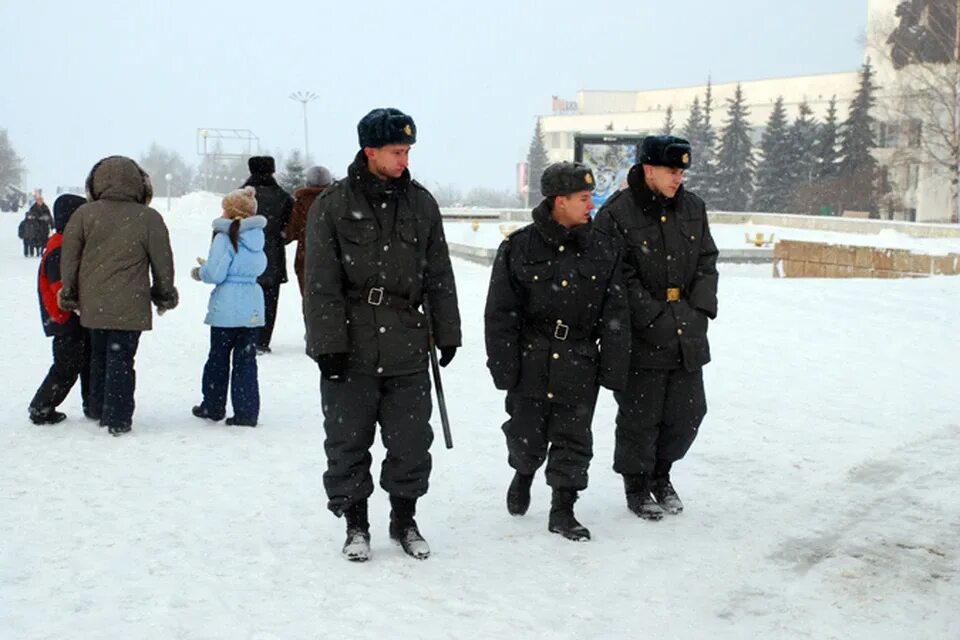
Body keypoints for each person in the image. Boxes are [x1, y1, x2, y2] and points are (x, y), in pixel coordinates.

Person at [303, 107, 461, 562]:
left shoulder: (422, 203)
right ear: (369, 151)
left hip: (408, 342)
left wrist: (447, 331)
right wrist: (328, 345)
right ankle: (355, 524)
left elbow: (440, 274)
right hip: (350, 344)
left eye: (408, 151)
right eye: (396, 151)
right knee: (347, 440)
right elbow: (320, 284)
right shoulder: (332, 205)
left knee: (411, 441)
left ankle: (404, 519)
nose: (403, 160)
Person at [484, 162, 629, 542]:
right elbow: (500, 313)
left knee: (574, 436)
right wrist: (503, 367)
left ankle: (563, 508)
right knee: (525, 433)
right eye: (583, 199)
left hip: (580, 359)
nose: (591, 206)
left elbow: (616, 313)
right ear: (558, 201)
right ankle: (524, 471)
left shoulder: (604, 248)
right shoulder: (519, 247)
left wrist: (614, 368)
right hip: (531, 357)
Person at [594, 135, 718, 520]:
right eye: (671, 171)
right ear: (648, 169)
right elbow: (616, 278)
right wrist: (653, 317)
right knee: (640, 416)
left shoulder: (693, 208)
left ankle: (661, 475)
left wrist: (698, 310)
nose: (678, 178)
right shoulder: (617, 213)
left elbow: (706, 261)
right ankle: (637, 484)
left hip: (687, 329)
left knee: (688, 412)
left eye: (681, 171)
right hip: (639, 334)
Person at [58, 156, 179, 437]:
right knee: (122, 359)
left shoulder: (85, 215)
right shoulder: (148, 217)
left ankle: (97, 407)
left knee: (98, 354)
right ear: (139, 183)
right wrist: (164, 294)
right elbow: (163, 262)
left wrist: (70, 293)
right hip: (131, 303)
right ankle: (118, 417)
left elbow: (70, 260)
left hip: (94, 302)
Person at [190, 187, 267, 427]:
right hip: (252, 304)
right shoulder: (258, 237)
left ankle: (213, 406)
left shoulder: (224, 238)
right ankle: (246, 412)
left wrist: (199, 272)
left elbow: (216, 273)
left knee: (218, 358)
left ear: (230, 212)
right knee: (246, 361)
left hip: (227, 307)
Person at [28, 194, 91, 425]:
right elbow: (60, 289)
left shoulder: (64, 242)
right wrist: (78, 308)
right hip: (64, 318)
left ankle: (90, 403)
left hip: (66, 318)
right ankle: (41, 407)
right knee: (67, 366)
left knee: (80, 361)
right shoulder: (61, 247)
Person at [242, 156, 292, 354]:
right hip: (273, 256)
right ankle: (263, 340)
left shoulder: (241, 195)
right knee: (269, 301)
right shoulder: (283, 197)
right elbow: (289, 229)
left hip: (244, 257)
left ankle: (246, 336)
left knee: (245, 297)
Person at [285, 165, 333, 295]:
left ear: (307, 183)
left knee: (310, 304)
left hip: (307, 259)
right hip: (334, 259)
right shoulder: (336, 202)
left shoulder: (301, 203)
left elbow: (290, 233)